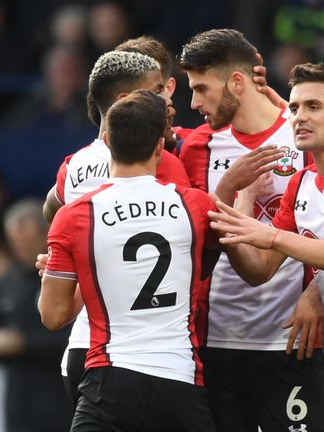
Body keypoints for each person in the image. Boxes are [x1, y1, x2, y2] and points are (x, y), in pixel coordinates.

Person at [208, 62, 324, 431]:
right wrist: (239, 212)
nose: (299, 117)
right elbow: (259, 269)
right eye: (294, 108)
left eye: (313, 106)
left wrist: (276, 238)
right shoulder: (300, 184)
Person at [178, 28, 324, 432]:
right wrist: (229, 191)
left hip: (289, 340)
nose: (193, 103)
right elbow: (193, 243)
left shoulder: (303, 136)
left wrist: (318, 293)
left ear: (238, 82)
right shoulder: (197, 147)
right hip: (218, 341)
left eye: (201, 88)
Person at [39, 90, 216, 431]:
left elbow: (53, 316)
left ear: (106, 140)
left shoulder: (75, 216)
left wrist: (68, 271)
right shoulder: (196, 205)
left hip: (109, 380)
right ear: (159, 148)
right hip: (179, 379)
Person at [0, 199, 72, 432]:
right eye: (16, 245)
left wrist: (25, 345)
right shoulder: (8, 281)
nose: (22, 251)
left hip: (61, 404)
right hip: (19, 408)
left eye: (27, 243)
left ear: (45, 232)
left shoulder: (66, 274)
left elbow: (74, 339)